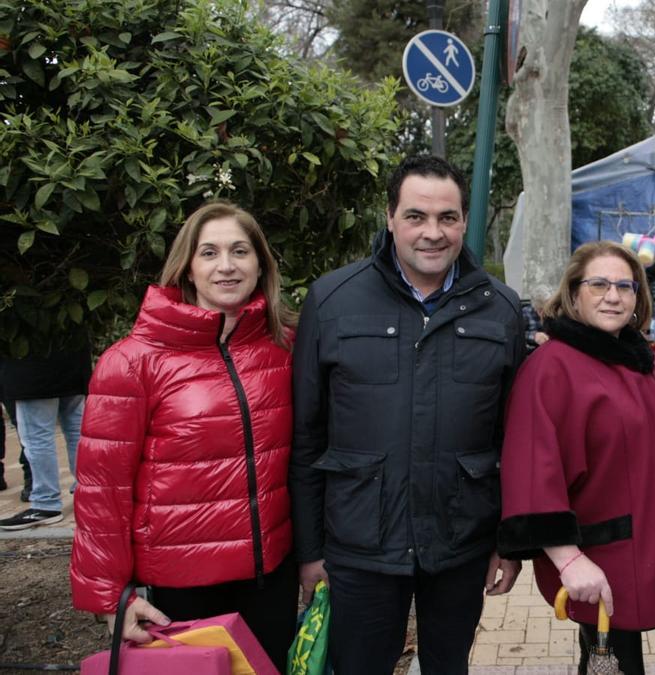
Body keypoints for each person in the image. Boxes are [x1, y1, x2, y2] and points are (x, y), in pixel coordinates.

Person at [290, 155, 525, 675]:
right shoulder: (332, 301)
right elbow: (306, 436)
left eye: (447, 218)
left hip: (460, 542)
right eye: (416, 216)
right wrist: (309, 551)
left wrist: (509, 544)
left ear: (465, 221)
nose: (433, 233)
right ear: (390, 217)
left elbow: (514, 442)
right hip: (359, 544)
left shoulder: (500, 309)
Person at [68, 202, 298, 671]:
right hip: (183, 589)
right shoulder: (133, 361)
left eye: (240, 250)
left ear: (260, 264)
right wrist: (112, 597)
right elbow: (100, 492)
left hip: (271, 577)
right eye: (209, 252)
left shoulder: (285, 346)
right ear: (188, 268)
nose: (227, 265)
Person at [497, 241, 655, 675]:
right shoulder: (552, 367)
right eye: (599, 284)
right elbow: (533, 468)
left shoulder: (653, 367)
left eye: (625, 286)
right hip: (599, 554)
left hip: (652, 548)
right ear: (573, 293)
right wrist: (567, 559)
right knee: (610, 662)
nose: (613, 296)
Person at [0, 332, 91, 530]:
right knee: (77, 431)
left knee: (37, 438)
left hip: (31, 367)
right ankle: (87, 493)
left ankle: (45, 503)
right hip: (72, 360)